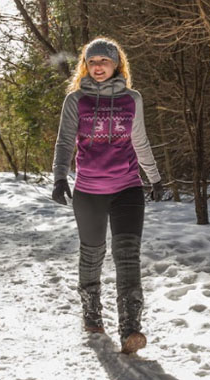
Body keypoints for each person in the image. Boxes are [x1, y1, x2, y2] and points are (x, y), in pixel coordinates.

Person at [50, 37, 164, 355]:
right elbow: (64, 143)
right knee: (93, 254)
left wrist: (154, 177)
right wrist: (60, 177)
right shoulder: (76, 101)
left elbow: (140, 140)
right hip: (89, 191)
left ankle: (131, 327)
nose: (98, 67)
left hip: (128, 188)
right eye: (93, 61)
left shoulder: (132, 99)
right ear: (86, 65)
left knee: (128, 257)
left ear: (117, 65)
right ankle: (91, 312)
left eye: (105, 61)